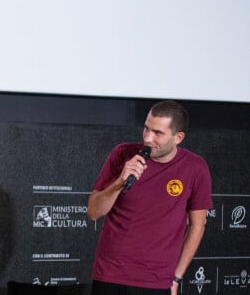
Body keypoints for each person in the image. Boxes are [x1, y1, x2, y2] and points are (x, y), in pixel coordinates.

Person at [87, 100, 213, 295]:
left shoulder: (195, 168)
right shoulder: (122, 154)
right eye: (146, 129)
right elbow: (93, 212)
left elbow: (197, 226)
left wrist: (176, 277)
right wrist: (120, 182)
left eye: (158, 133)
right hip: (110, 274)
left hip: (156, 281)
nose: (147, 138)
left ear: (178, 137)